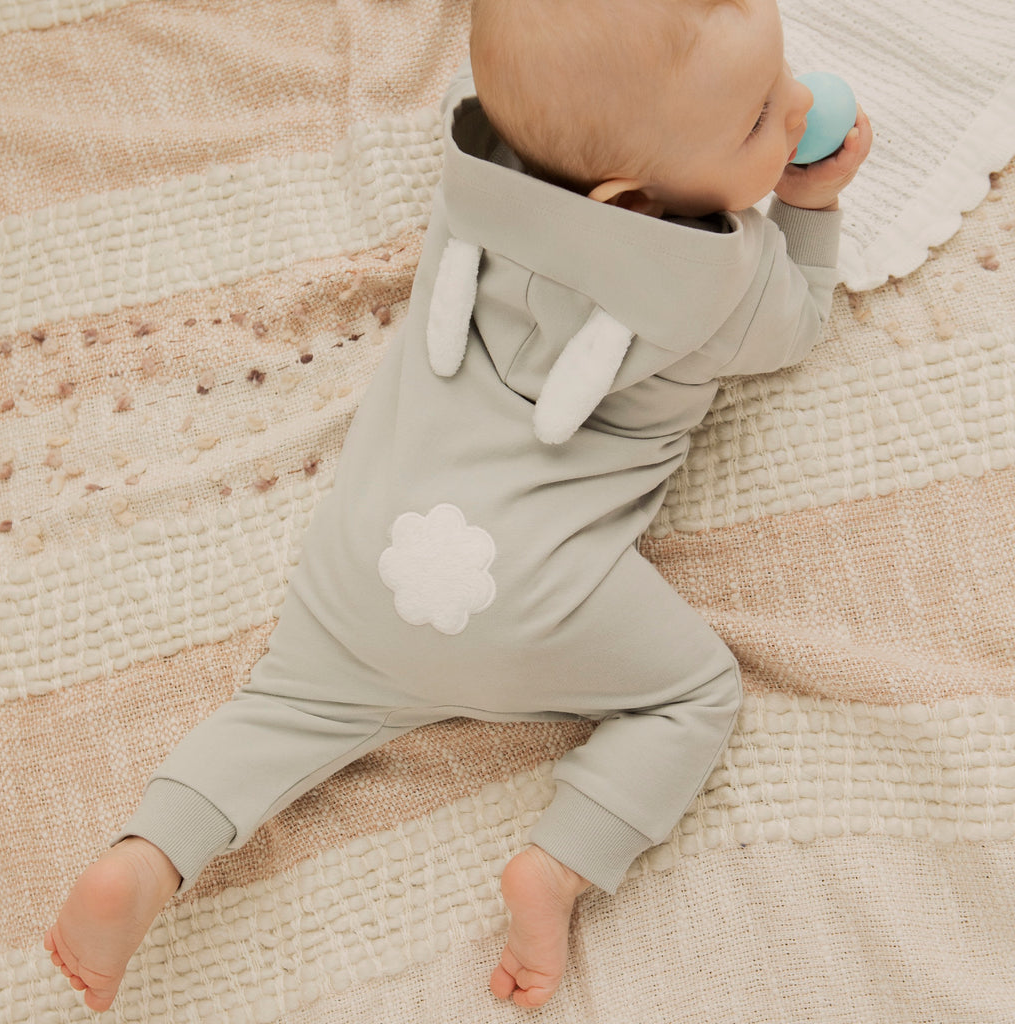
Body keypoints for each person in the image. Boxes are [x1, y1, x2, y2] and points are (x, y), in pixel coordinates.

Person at [45, 0, 872, 1011]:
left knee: (284, 708)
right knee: (694, 694)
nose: (797, 106)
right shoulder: (725, 285)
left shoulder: (474, 175)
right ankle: (559, 863)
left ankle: (150, 854)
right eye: (756, 118)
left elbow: (516, 77)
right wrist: (810, 206)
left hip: (377, 552)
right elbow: (802, 321)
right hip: (545, 596)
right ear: (633, 199)